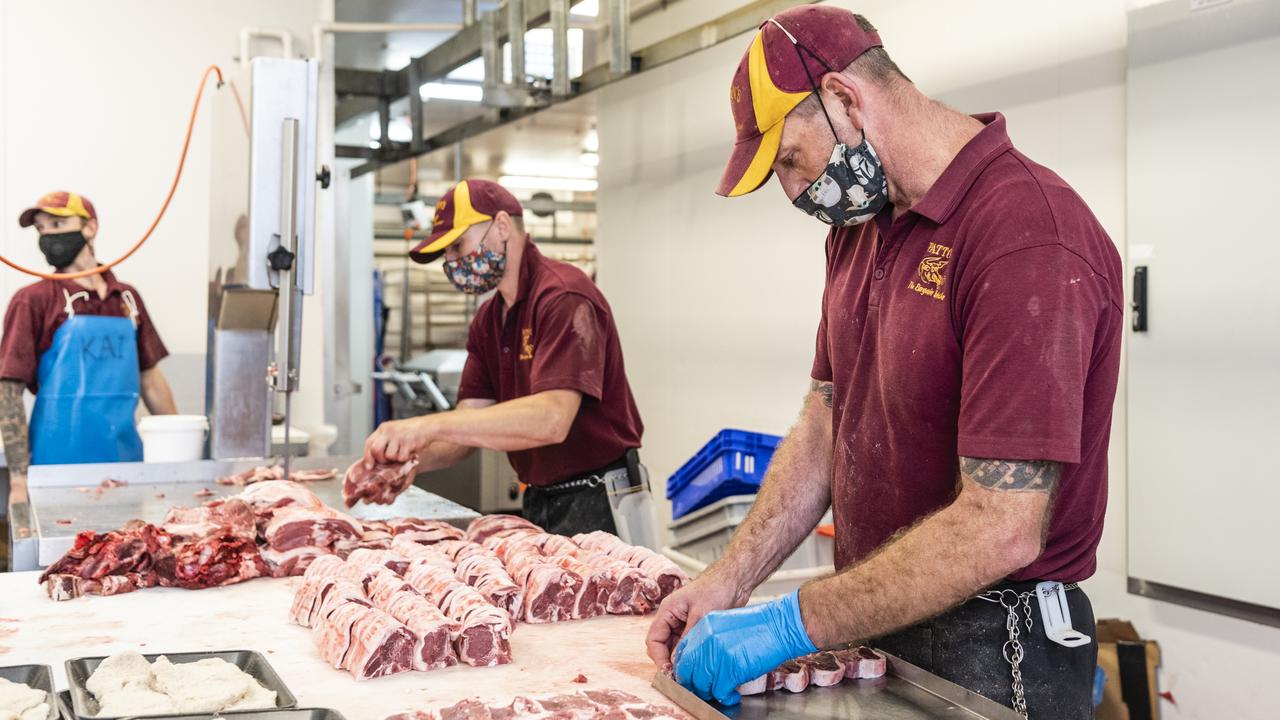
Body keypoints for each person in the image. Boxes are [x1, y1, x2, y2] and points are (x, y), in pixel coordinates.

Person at [646, 7, 1122, 718]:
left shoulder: (1026, 237)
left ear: (843, 98)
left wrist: (791, 622)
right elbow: (826, 419)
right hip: (877, 623)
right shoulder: (860, 231)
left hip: (996, 649)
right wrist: (731, 579)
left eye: (787, 158)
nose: (791, 189)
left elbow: (1001, 525)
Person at [362, 179, 646, 537]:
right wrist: (408, 463)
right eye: (445, 255)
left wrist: (427, 425)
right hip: (539, 498)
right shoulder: (488, 320)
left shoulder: (563, 296)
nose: (452, 263)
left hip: (602, 499)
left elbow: (552, 419)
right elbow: (469, 425)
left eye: (457, 246)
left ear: (501, 227)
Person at [0, 191, 177, 496]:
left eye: (57, 224)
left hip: (126, 465)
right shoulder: (33, 300)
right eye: (41, 228)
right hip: (56, 468)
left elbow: (149, 378)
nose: (47, 235)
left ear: (90, 228)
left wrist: (178, 451)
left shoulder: (127, 299)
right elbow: (8, 392)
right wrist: (18, 481)